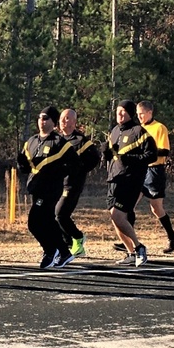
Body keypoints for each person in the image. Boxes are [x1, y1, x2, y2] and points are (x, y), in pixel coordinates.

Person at [17, 105, 81, 268]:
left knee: (34, 222)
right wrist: (21, 164)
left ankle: (50, 250)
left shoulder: (59, 142)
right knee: (46, 222)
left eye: (46, 118)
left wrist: (57, 171)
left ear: (53, 122)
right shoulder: (31, 141)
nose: (42, 121)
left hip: (51, 189)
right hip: (36, 187)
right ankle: (62, 251)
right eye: (40, 118)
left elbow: (75, 165)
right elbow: (26, 167)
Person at [101, 99, 156, 267]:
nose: (120, 114)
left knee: (118, 215)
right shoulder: (115, 131)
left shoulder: (139, 131)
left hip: (130, 180)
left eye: (123, 111)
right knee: (115, 218)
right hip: (114, 179)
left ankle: (139, 248)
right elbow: (114, 158)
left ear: (130, 113)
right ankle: (131, 252)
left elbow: (152, 155)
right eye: (118, 111)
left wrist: (130, 159)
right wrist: (106, 154)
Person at [132, 101, 174, 254]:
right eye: (138, 114)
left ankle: (172, 236)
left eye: (142, 114)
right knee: (128, 206)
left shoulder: (159, 128)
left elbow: (164, 151)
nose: (139, 117)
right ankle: (128, 240)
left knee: (156, 208)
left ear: (149, 113)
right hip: (140, 171)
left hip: (154, 171)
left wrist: (146, 153)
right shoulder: (138, 129)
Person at [56, 108, 101, 257]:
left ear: (74, 122)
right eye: (62, 118)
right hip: (57, 184)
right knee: (54, 216)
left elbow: (95, 158)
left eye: (68, 118)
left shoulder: (81, 141)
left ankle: (78, 237)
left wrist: (79, 170)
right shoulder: (57, 139)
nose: (64, 121)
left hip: (72, 184)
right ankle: (68, 245)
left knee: (60, 214)